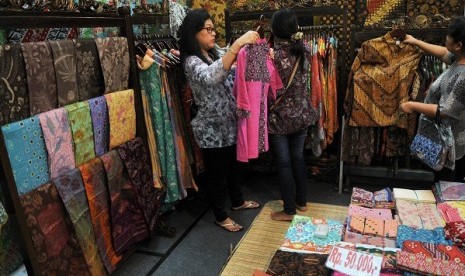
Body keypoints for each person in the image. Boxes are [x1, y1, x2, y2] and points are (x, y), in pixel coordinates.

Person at [178, 8, 260, 232]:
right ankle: (221, 216)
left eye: (214, 29)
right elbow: (210, 76)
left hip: (229, 123)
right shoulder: (191, 62)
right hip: (211, 129)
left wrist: (252, 55)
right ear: (194, 33)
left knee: (235, 168)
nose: (213, 34)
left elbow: (232, 72)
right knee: (217, 175)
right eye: (208, 29)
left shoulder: (214, 53)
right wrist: (236, 46)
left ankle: (237, 201)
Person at [268, 9, 318, 221]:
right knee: (298, 157)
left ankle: (289, 210)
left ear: (274, 29)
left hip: (279, 116)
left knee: (284, 162)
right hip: (302, 113)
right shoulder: (304, 48)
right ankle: (302, 202)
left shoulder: (270, 55)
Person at [401, 16, 465, 182]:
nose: (446, 38)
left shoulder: (463, 77)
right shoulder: (458, 60)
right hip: (444, 143)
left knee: (448, 191)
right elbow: (444, 53)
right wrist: (415, 41)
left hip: (452, 149)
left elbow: (444, 111)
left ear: (458, 46)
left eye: (449, 36)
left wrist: (413, 105)